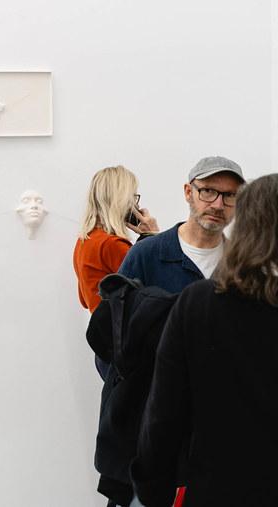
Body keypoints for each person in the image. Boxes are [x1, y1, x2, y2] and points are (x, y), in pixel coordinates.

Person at [132, 174, 278, 506]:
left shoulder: (200, 303)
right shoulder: (158, 261)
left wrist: (153, 491)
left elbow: (164, 414)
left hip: (219, 487)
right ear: (190, 192)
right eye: (209, 191)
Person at [118, 157, 243, 291]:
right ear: (188, 192)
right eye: (208, 191)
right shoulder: (145, 255)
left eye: (230, 195)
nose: (218, 205)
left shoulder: (243, 263)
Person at [74, 166, 159, 315]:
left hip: (102, 326)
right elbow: (157, 288)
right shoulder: (112, 245)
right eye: (133, 197)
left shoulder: (83, 241)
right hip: (124, 328)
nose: (137, 205)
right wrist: (153, 235)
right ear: (121, 200)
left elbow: (83, 300)